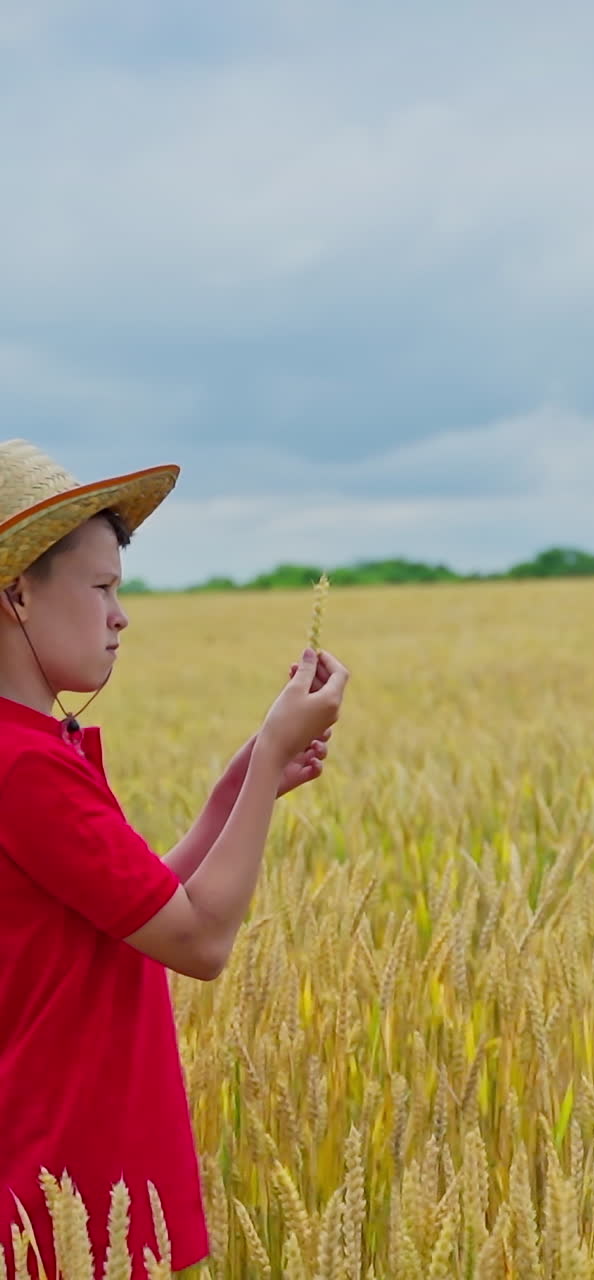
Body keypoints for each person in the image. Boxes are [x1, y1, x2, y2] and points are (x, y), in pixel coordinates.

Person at [0, 439, 350, 1279]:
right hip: (72, 1202)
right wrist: (268, 760)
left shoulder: (30, 753)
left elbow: (129, 915)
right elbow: (199, 943)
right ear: (16, 591)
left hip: (73, 1193)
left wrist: (233, 797)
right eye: (102, 589)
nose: (121, 616)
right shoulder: (25, 768)